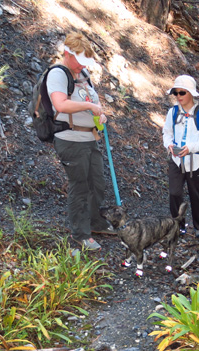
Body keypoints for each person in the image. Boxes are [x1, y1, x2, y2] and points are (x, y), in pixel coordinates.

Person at [48, 32, 115, 251]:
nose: (81, 65)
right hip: (70, 139)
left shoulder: (82, 73)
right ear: (67, 53)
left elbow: (90, 101)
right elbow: (61, 105)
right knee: (80, 186)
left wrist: (99, 115)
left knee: (97, 183)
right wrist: (90, 108)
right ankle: (80, 234)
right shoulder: (58, 74)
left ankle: (95, 222)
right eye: (79, 60)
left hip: (89, 137)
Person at [162, 75, 199, 239]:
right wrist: (169, 145)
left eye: (182, 93)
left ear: (191, 93)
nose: (178, 97)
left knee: (196, 195)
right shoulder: (172, 112)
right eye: (175, 93)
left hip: (195, 162)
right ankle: (179, 225)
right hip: (176, 160)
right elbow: (167, 133)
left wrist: (190, 148)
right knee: (174, 193)